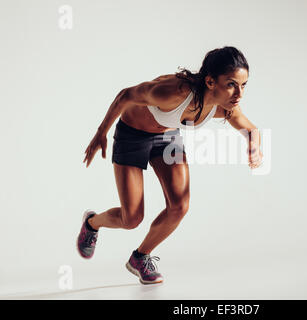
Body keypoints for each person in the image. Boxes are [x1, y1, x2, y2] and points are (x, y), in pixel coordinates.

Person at [78, 46, 263, 285]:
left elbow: (251, 129)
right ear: (210, 81)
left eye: (243, 85)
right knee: (131, 219)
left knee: (179, 207)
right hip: (132, 135)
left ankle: (140, 257)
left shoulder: (225, 107)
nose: (239, 93)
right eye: (231, 84)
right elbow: (125, 95)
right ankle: (92, 223)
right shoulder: (173, 92)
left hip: (166, 137)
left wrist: (254, 146)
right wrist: (101, 133)